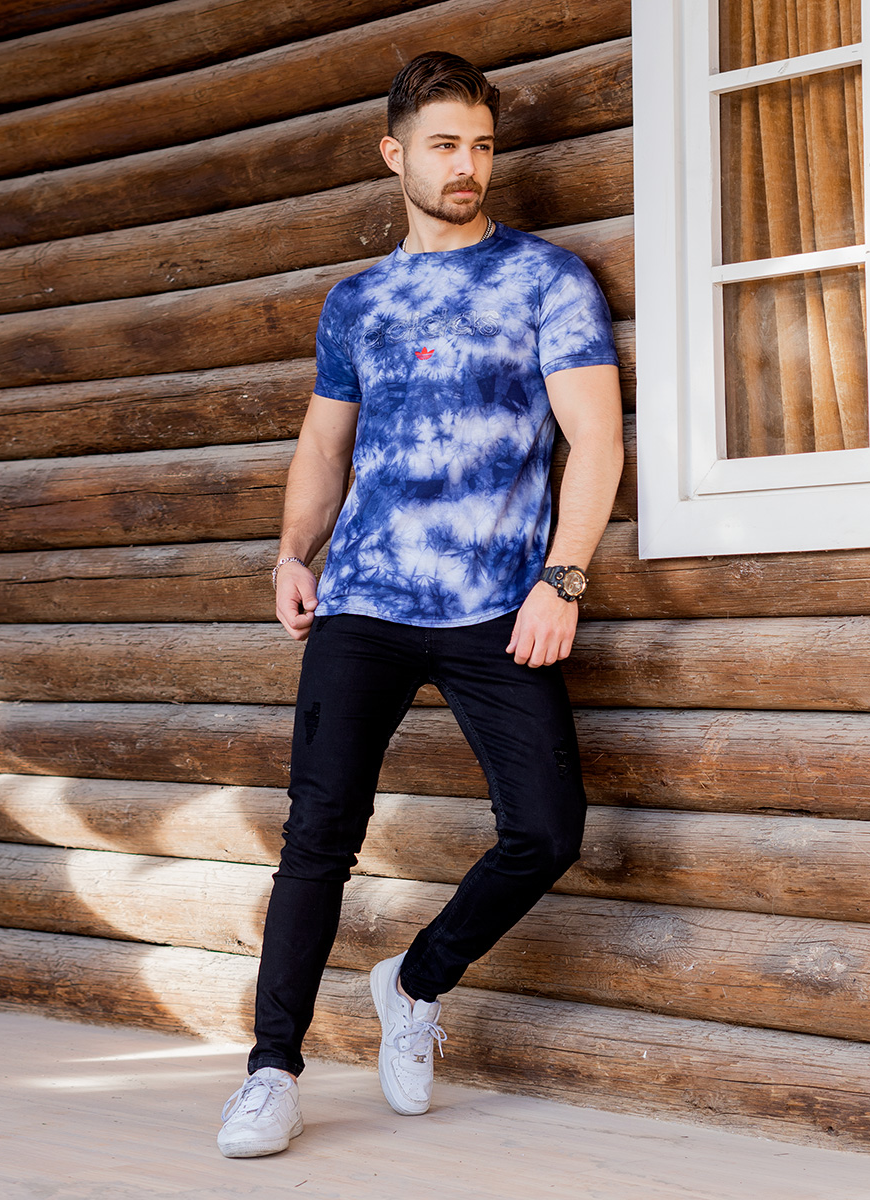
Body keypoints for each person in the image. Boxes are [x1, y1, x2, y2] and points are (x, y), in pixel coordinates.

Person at [217, 49, 623, 1158]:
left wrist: (562, 578)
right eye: (445, 145)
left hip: (499, 603)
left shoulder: (545, 279)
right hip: (365, 600)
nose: (467, 166)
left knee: (548, 832)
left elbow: (594, 440)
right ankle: (270, 1072)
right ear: (394, 154)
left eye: (482, 145)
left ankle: (415, 981)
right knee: (318, 837)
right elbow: (325, 444)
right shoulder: (358, 303)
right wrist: (291, 553)